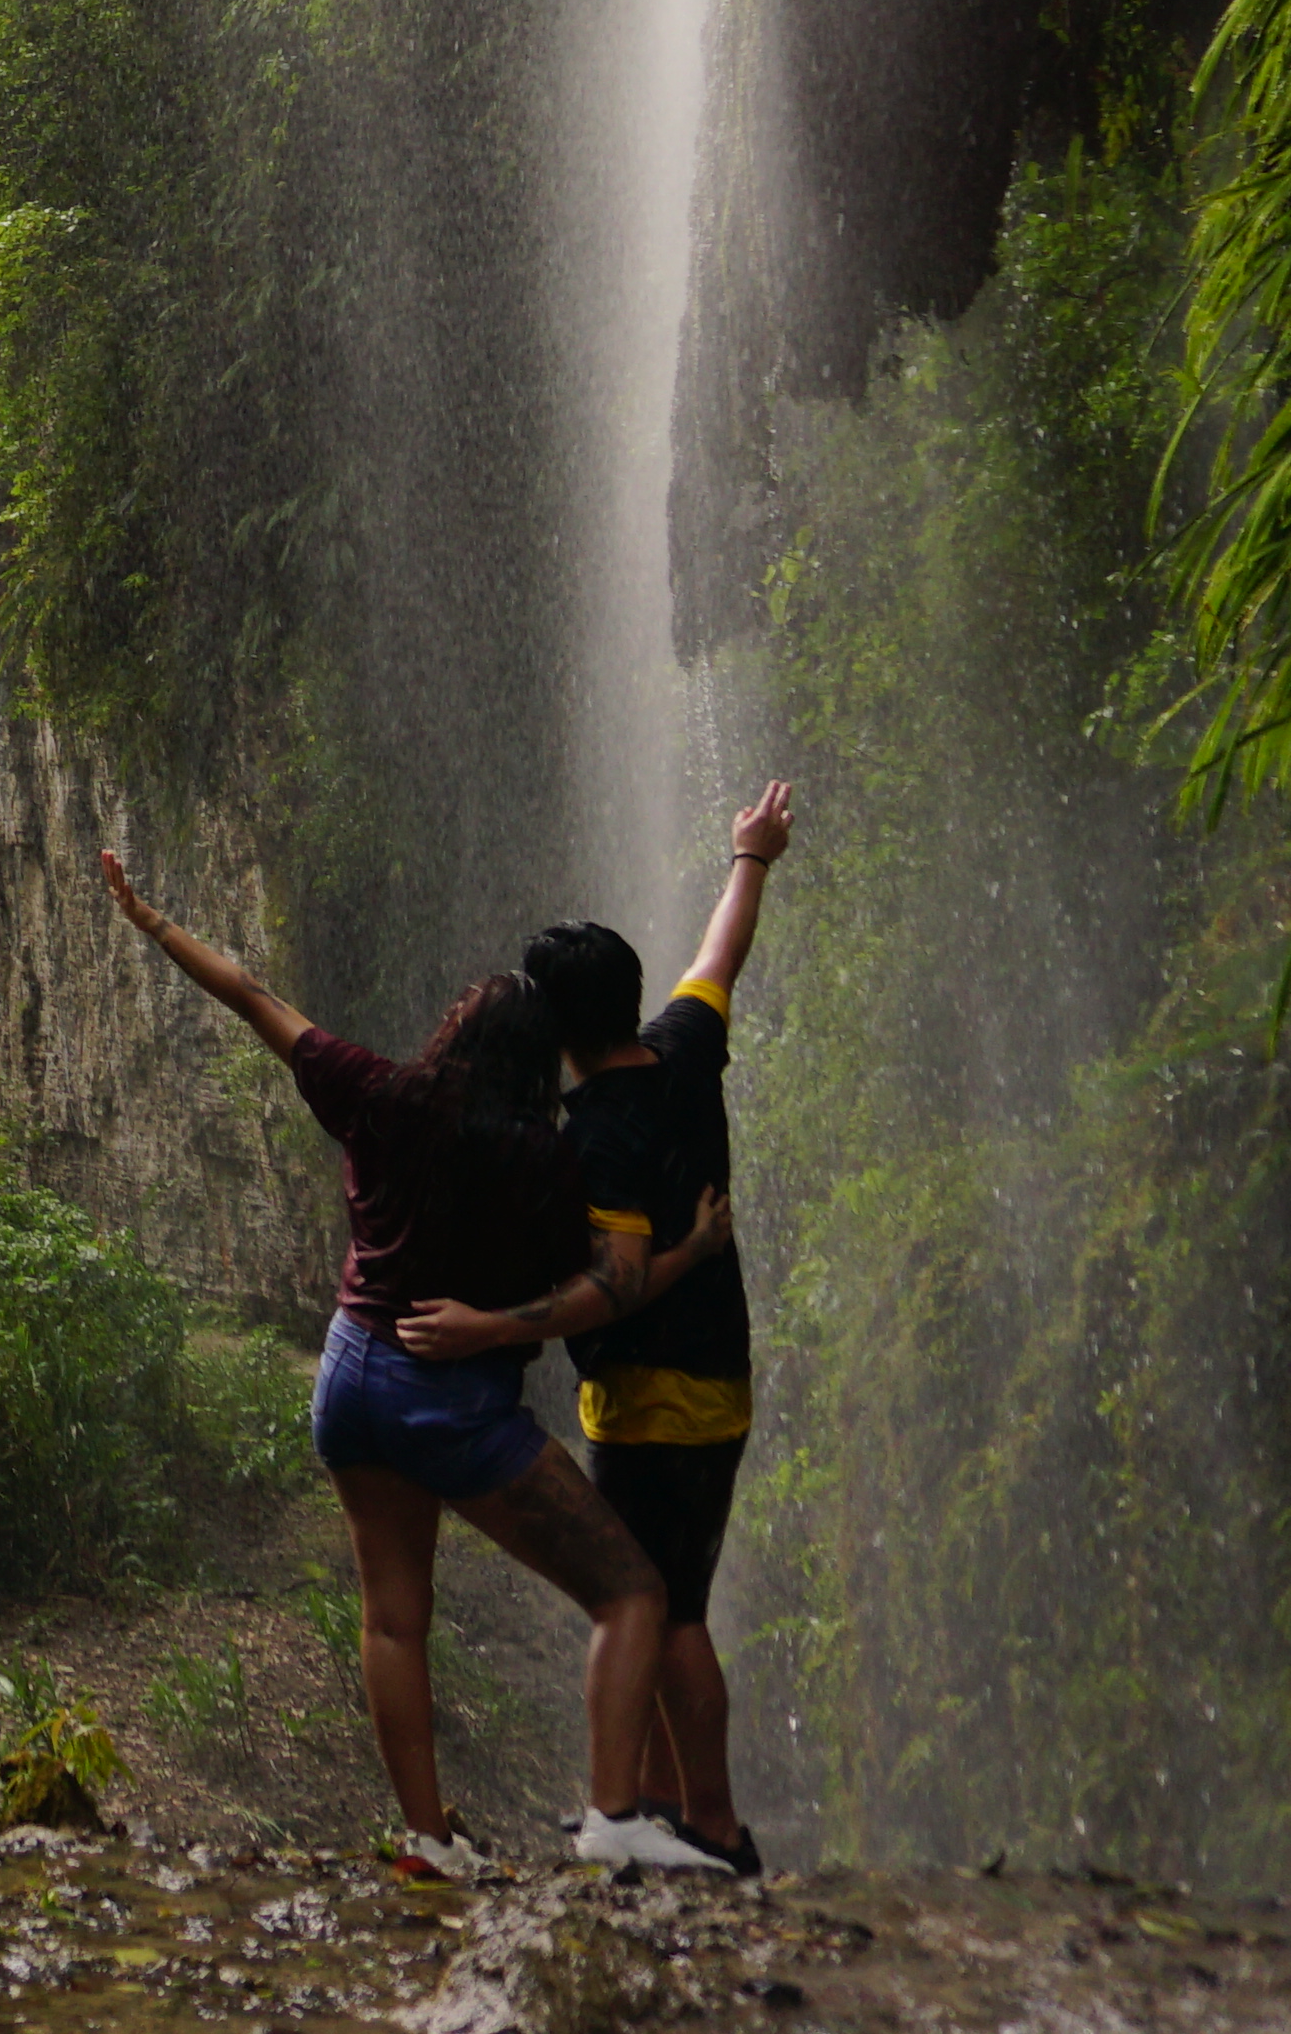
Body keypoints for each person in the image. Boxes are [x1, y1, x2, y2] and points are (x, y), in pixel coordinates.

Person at [97, 847, 738, 1877]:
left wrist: (153, 920)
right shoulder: (547, 1162)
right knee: (633, 1594)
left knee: (394, 1620)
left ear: (453, 1032)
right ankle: (616, 1815)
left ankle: (430, 1839)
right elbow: (605, 1290)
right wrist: (690, 1254)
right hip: (449, 1401)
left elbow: (253, 996)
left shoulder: (378, 1095)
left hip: (348, 1374)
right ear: (542, 1062)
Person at [400, 781, 796, 1874]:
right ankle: (664, 1807)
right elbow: (721, 954)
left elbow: (614, 1287)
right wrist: (751, 856)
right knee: (666, 1598)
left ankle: (712, 1826)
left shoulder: (601, 1137)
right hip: (717, 1380)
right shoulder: (682, 1046)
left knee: (664, 1608)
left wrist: (487, 1328)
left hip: (653, 1401)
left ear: (557, 1031)